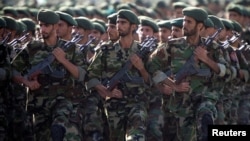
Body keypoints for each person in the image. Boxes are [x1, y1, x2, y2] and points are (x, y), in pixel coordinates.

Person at [147, 7, 230, 141]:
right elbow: (152, 65)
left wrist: (206, 59)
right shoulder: (172, 46)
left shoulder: (213, 48)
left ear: (200, 26)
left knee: (205, 116)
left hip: (205, 96)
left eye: (189, 22)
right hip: (182, 103)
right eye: (184, 21)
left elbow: (226, 72)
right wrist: (173, 85)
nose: (184, 24)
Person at [86, 9, 151, 141]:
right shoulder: (106, 50)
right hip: (114, 106)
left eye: (123, 23)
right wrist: (104, 90)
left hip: (137, 103)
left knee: (136, 137)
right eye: (118, 22)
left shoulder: (143, 51)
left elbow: (151, 81)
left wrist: (141, 68)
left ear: (133, 26)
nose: (119, 26)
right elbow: (91, 75)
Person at [24, 9, 86, 141]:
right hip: (39, 104)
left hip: (64, 101)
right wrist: (27, 82)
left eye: (46, 25)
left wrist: (63, 60)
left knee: (61, 128)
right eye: (40, 25)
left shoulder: (71, 48)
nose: (42, 29)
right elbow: (14, 69)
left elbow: (81, 75)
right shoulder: (32, 47)